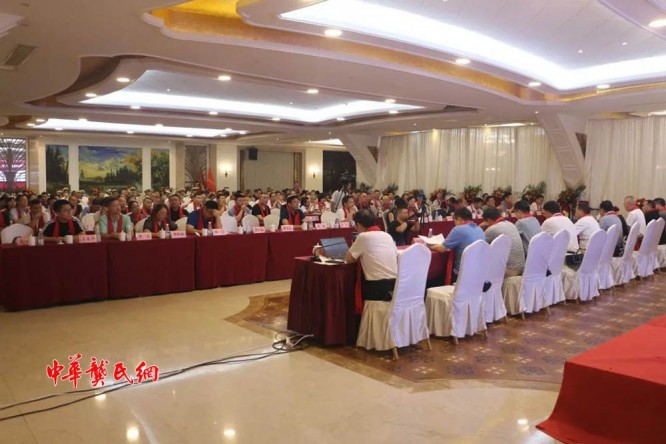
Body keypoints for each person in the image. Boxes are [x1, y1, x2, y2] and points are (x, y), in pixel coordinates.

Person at [344, 209, 398, 301]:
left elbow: (348, 259)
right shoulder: (387, 235)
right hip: (395, 285)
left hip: (376, 288)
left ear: (359, 225)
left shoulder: (363, 237)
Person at [429, 208, 485, 283]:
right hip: (478, 272)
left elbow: (442, 249)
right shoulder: (479, 229)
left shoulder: (458, 229)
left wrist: (428, 246)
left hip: (461, 275)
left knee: (435, 278)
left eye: (454, 220)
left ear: (459, 219)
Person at [482, 207, 525, 277]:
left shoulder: (491, 229)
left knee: (482, 271)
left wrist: (480, 226)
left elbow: (480, 244)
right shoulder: (511, 224)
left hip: (510, 269)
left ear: (489, 220)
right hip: (522, 266)